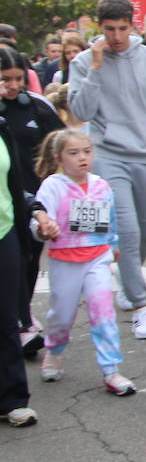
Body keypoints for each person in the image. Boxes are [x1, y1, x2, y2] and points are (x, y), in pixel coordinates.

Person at [67, 0, 146, 340]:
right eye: (109, 29)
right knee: (127, 231)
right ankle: (142, 306)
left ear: (133, 26)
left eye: (122, 29)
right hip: (107, 155)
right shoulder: (85, 62)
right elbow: (80, 113)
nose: (116, 36)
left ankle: (128, 281)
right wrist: (96, 69)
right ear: (99, 28)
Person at [28, 129, 135, 394]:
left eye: (87, 152)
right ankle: (54, 348)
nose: (82, 158)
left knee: (103, 313)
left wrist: (113, 245)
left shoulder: (101, 185)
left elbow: (110, 219)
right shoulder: (53, 185)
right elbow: (39, 217)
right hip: (64, 259)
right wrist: (44, 228)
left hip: (97, 257)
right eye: (73, 153)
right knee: (61, 315)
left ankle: (111, 370)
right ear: (58, 157)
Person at [1, 46, 65, 355]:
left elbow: (62, 141)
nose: (12, 86)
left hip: (35, 203)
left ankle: (21, 318)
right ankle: (20, 324)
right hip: (6, 203)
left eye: (17, 79)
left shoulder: (36, 106)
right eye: (4, 79)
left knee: (27, 261)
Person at [2, 110, 50, 425]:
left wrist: (34, 209)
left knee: (6, 318)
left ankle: (11, 399)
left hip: (3, 230)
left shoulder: (1, 126)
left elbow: (13, 179)